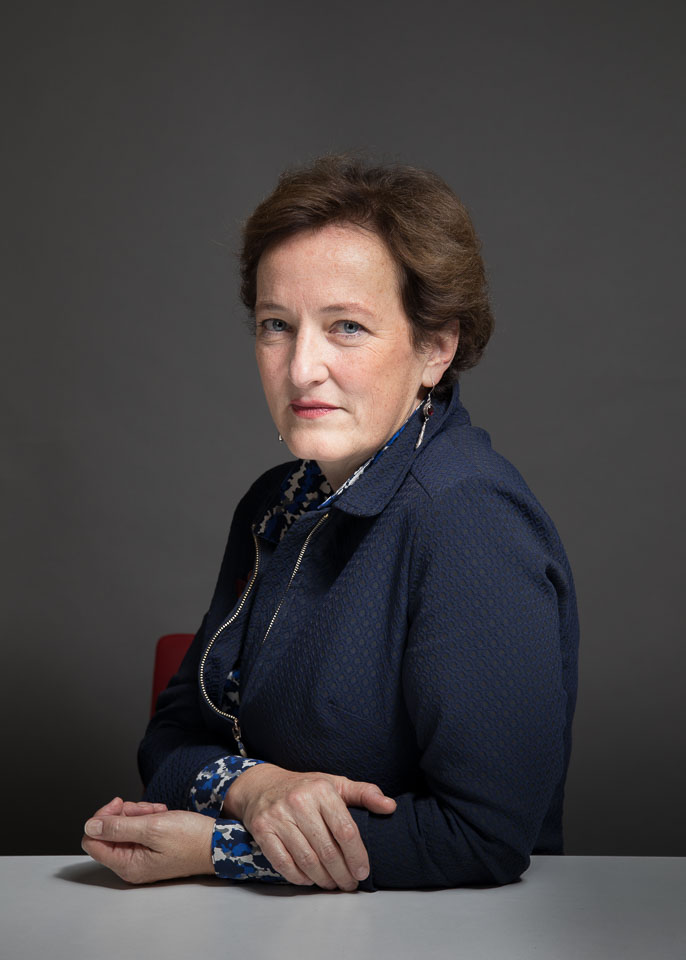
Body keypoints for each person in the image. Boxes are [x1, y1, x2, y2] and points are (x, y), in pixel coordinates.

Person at [82, 155, 579, 891]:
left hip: (445, 934)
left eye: (347, 326)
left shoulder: (469, 519)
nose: (301, 368)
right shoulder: (276, 500)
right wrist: (258, 790)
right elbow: (170, 742)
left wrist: (219, 847)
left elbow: (485, 838)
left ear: (435, 348)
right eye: (276, 325)